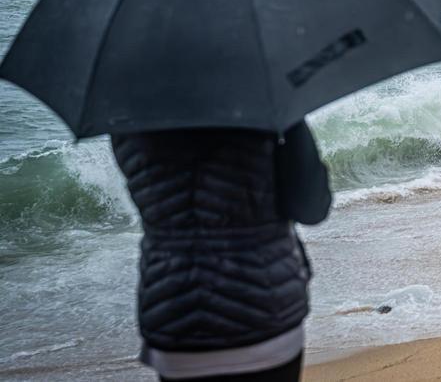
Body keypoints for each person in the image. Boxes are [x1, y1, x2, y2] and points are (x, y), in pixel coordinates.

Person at [111, 121, 331, 381]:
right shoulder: (267, 109)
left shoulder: (127, 118)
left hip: (173, 315)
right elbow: (311, 209)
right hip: (265, 311)